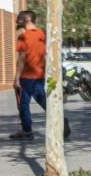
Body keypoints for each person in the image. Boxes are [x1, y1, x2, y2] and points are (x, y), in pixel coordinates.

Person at [12, 9, 68, 141]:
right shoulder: (42, 34)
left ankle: (27, 131)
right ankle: (61, 120)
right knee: (43, 102)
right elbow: (48, 55)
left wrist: (17, 79)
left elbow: (21, 59)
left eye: (20, 18)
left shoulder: (23, 37)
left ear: (27, 19)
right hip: (40, 76)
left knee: (23, 105)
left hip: (26, 77)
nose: (17, 20)